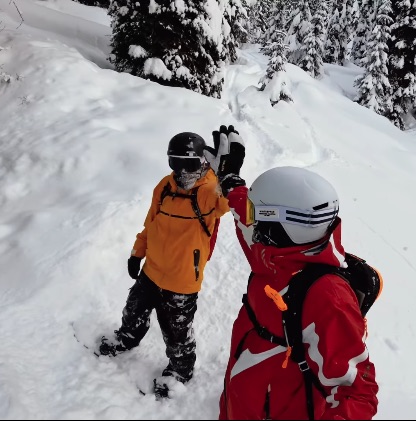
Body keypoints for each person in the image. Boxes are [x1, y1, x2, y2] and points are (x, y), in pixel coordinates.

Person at [211, 126, 379, 420]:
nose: (251, 224)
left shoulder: (327, 297)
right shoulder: (274, 252)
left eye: (257, 215)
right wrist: (230, 178)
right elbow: (243, 209)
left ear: (285, 223)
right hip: (242, 398)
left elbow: (358, 392)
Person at [98, 130, 230, 398]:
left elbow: (235, 205)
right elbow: (150, 224)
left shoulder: (208, 191)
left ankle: (181, 370)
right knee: (133, 310)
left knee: (176, 330)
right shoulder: (165, 186)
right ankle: (126, 338)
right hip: (152, 270)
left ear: (203, 163)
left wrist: (228, 179)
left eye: (189, 164)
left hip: (182, 279)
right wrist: (138, 252)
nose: (182, 172)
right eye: (176, 163)